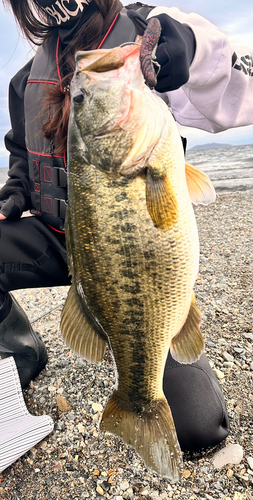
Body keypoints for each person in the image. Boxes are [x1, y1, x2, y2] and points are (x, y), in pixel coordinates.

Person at [0, 0, 252, 453]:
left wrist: (190, 49)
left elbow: (237, 91)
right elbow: (21, 152)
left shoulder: (148, 36)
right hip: (59, 242)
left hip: (143, 266)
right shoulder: (24, 82)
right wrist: (15, 189)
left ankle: (144, 370)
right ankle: (21, 351)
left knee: (198, 430)